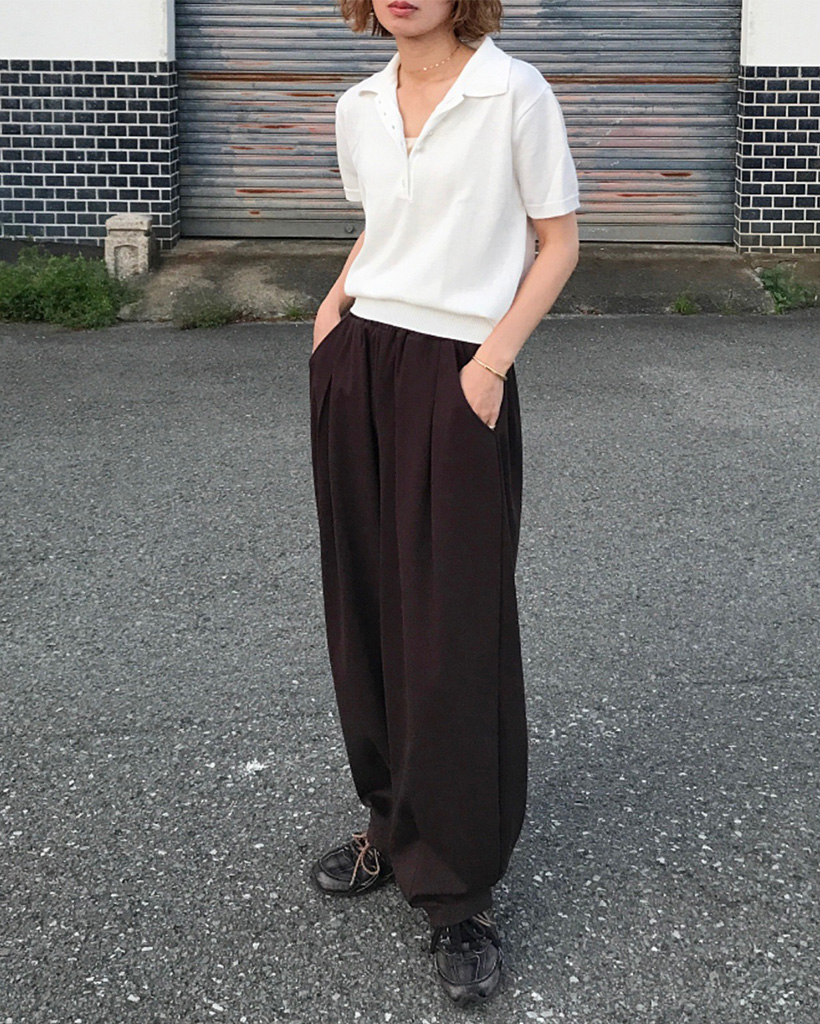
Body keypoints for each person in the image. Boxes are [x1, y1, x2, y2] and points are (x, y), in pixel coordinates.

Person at [308, 0, 580, 1006]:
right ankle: (391, 824)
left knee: (453, 628)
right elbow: (382, 226)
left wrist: (490, 364)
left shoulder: (513, 91)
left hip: (459, 370)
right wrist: (332, 310)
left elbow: (558, 241)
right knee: (366, 606)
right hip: (360, 358)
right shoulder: (360, 104)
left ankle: (458, 889)